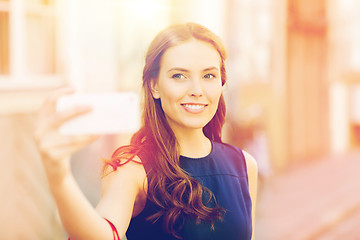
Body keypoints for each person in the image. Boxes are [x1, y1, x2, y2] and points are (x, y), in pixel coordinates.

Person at [34, 22, 258, 240]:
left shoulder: (245, 165)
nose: (197, 90)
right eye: (179, 75)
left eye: (209, 75)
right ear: (154, 86)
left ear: (221, 83)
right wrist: (59, 177)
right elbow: (102, 234)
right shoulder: (133, 169)